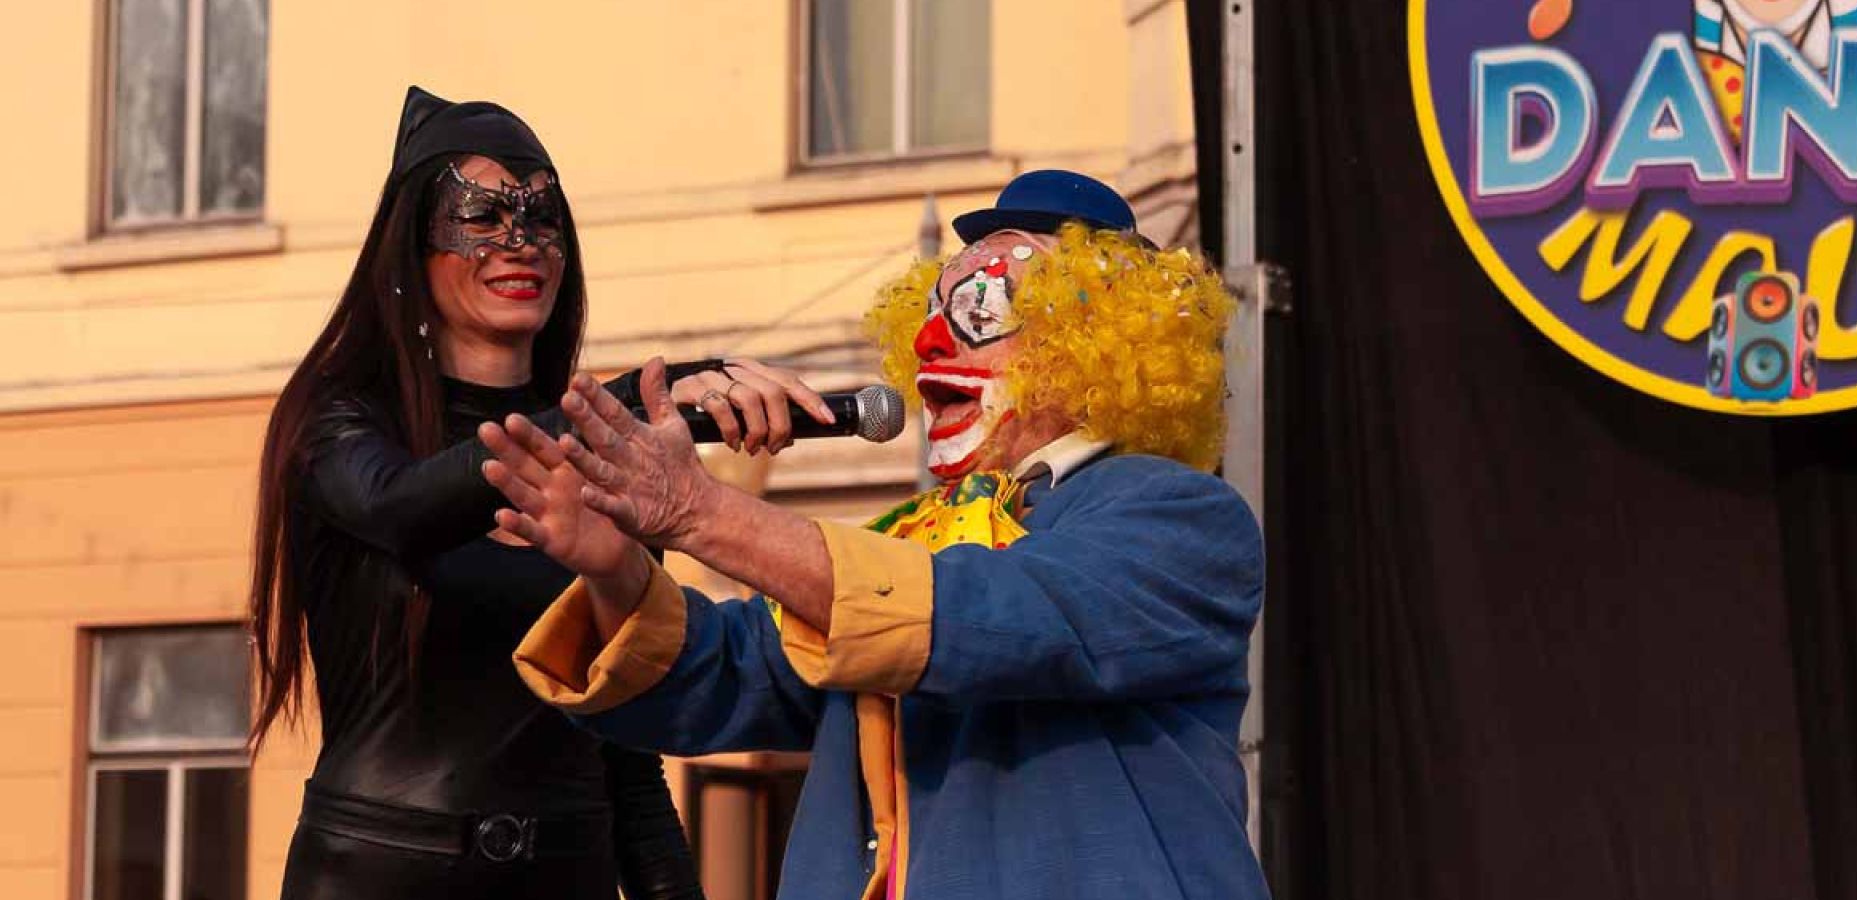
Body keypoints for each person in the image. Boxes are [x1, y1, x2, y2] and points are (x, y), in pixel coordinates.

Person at [489, 170, 1269, 899]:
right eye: (930, 314)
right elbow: (726, 680)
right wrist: (615, 569)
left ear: (1093, 342)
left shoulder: (1182, 518)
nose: (930, 344)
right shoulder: (915, 542)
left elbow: (993, 617)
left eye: (979, 313)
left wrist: (701, 513)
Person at [248, 86, 832, 899]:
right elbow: (400, 508)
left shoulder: (611, 459)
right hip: (378, 875)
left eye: (541, 218)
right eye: (482, 216)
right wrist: (627, 404)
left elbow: (630, 766)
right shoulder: (340, 419)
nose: (518, 243)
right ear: (413, 248)